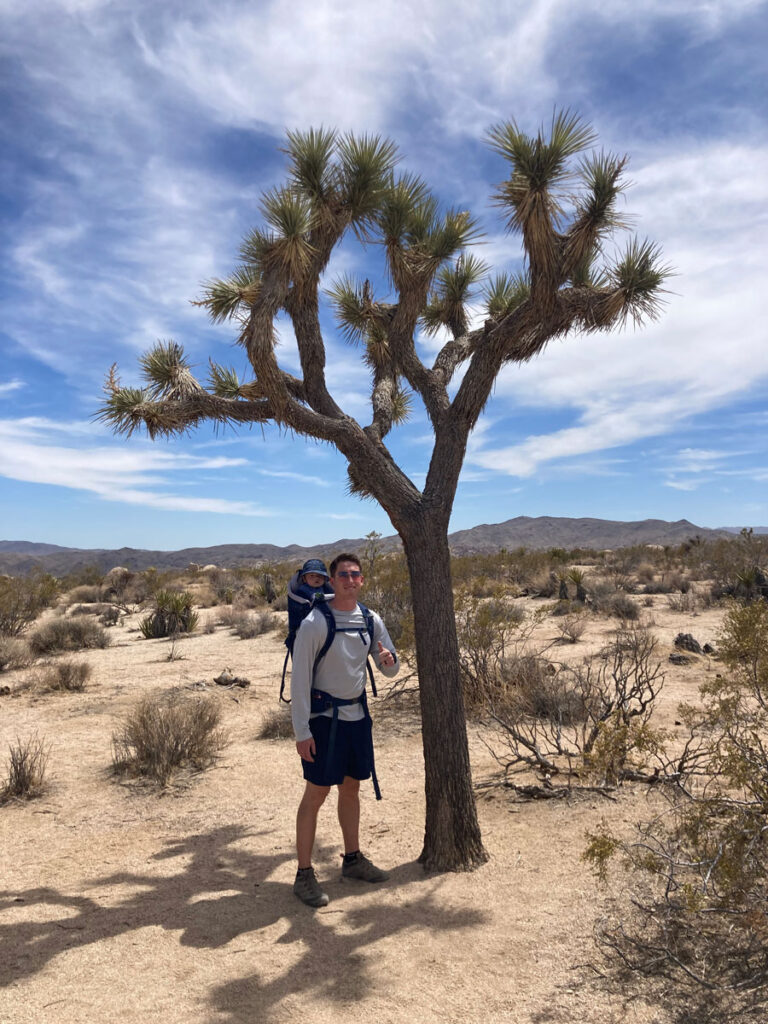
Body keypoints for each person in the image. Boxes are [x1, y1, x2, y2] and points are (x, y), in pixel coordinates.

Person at [291, 552, 399, 908]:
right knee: (317, 794)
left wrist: (387, 661)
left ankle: (352, 860)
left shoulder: (370, 619)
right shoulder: (314, 623)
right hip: (323, 721)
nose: (350, 580)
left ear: (362, 580)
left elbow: (389, 668)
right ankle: (304, 874)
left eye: (356, 574)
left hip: (357, 717)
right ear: (332, 581)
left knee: (351, 788)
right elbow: (301, 679)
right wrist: (301, 731)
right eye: (343, 575)